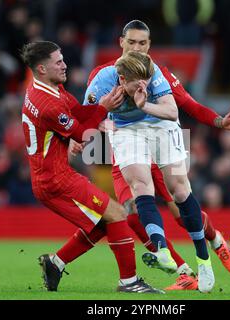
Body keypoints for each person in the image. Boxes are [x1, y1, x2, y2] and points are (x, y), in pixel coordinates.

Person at [70, 20, 230, 292]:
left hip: (161, 135)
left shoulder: (159, 74)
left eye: (142, 43)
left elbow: (187, 105)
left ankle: (215, 241)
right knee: (131, 212)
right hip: (127, 141)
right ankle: (180, 268)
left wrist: (218, 122)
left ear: (149, 45)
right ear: (121, 43)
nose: (136, 48)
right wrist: (85, 134)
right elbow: (88, 114)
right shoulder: (102, 74)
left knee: (180, 207)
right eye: (131, 42)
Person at [20, 40, 163, 294]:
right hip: (55, 181)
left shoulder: (47, 89)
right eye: (58, 62)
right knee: (118, 214)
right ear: (42, 69)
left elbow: (79, 113)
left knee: (103, 224)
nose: (65, 64)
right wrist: (104, 111)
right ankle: (129, 283)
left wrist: (101, 108)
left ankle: (56, 263)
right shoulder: (48, 105)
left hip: (54, 175)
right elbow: (82, 135)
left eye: (63, 58)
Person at [84, 49, 216, 293]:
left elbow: (172, 111)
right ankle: (162, 251)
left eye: (146, 81)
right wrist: (103, 118)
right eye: (137, 84)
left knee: (180, 190)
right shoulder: (101, 82)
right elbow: (86, 118)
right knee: (141, 186)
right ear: (122, 80)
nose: (144, 85)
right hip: (126, 130)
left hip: (161, 124)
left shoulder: (152, 73)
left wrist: (144, 104)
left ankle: (204, 260)